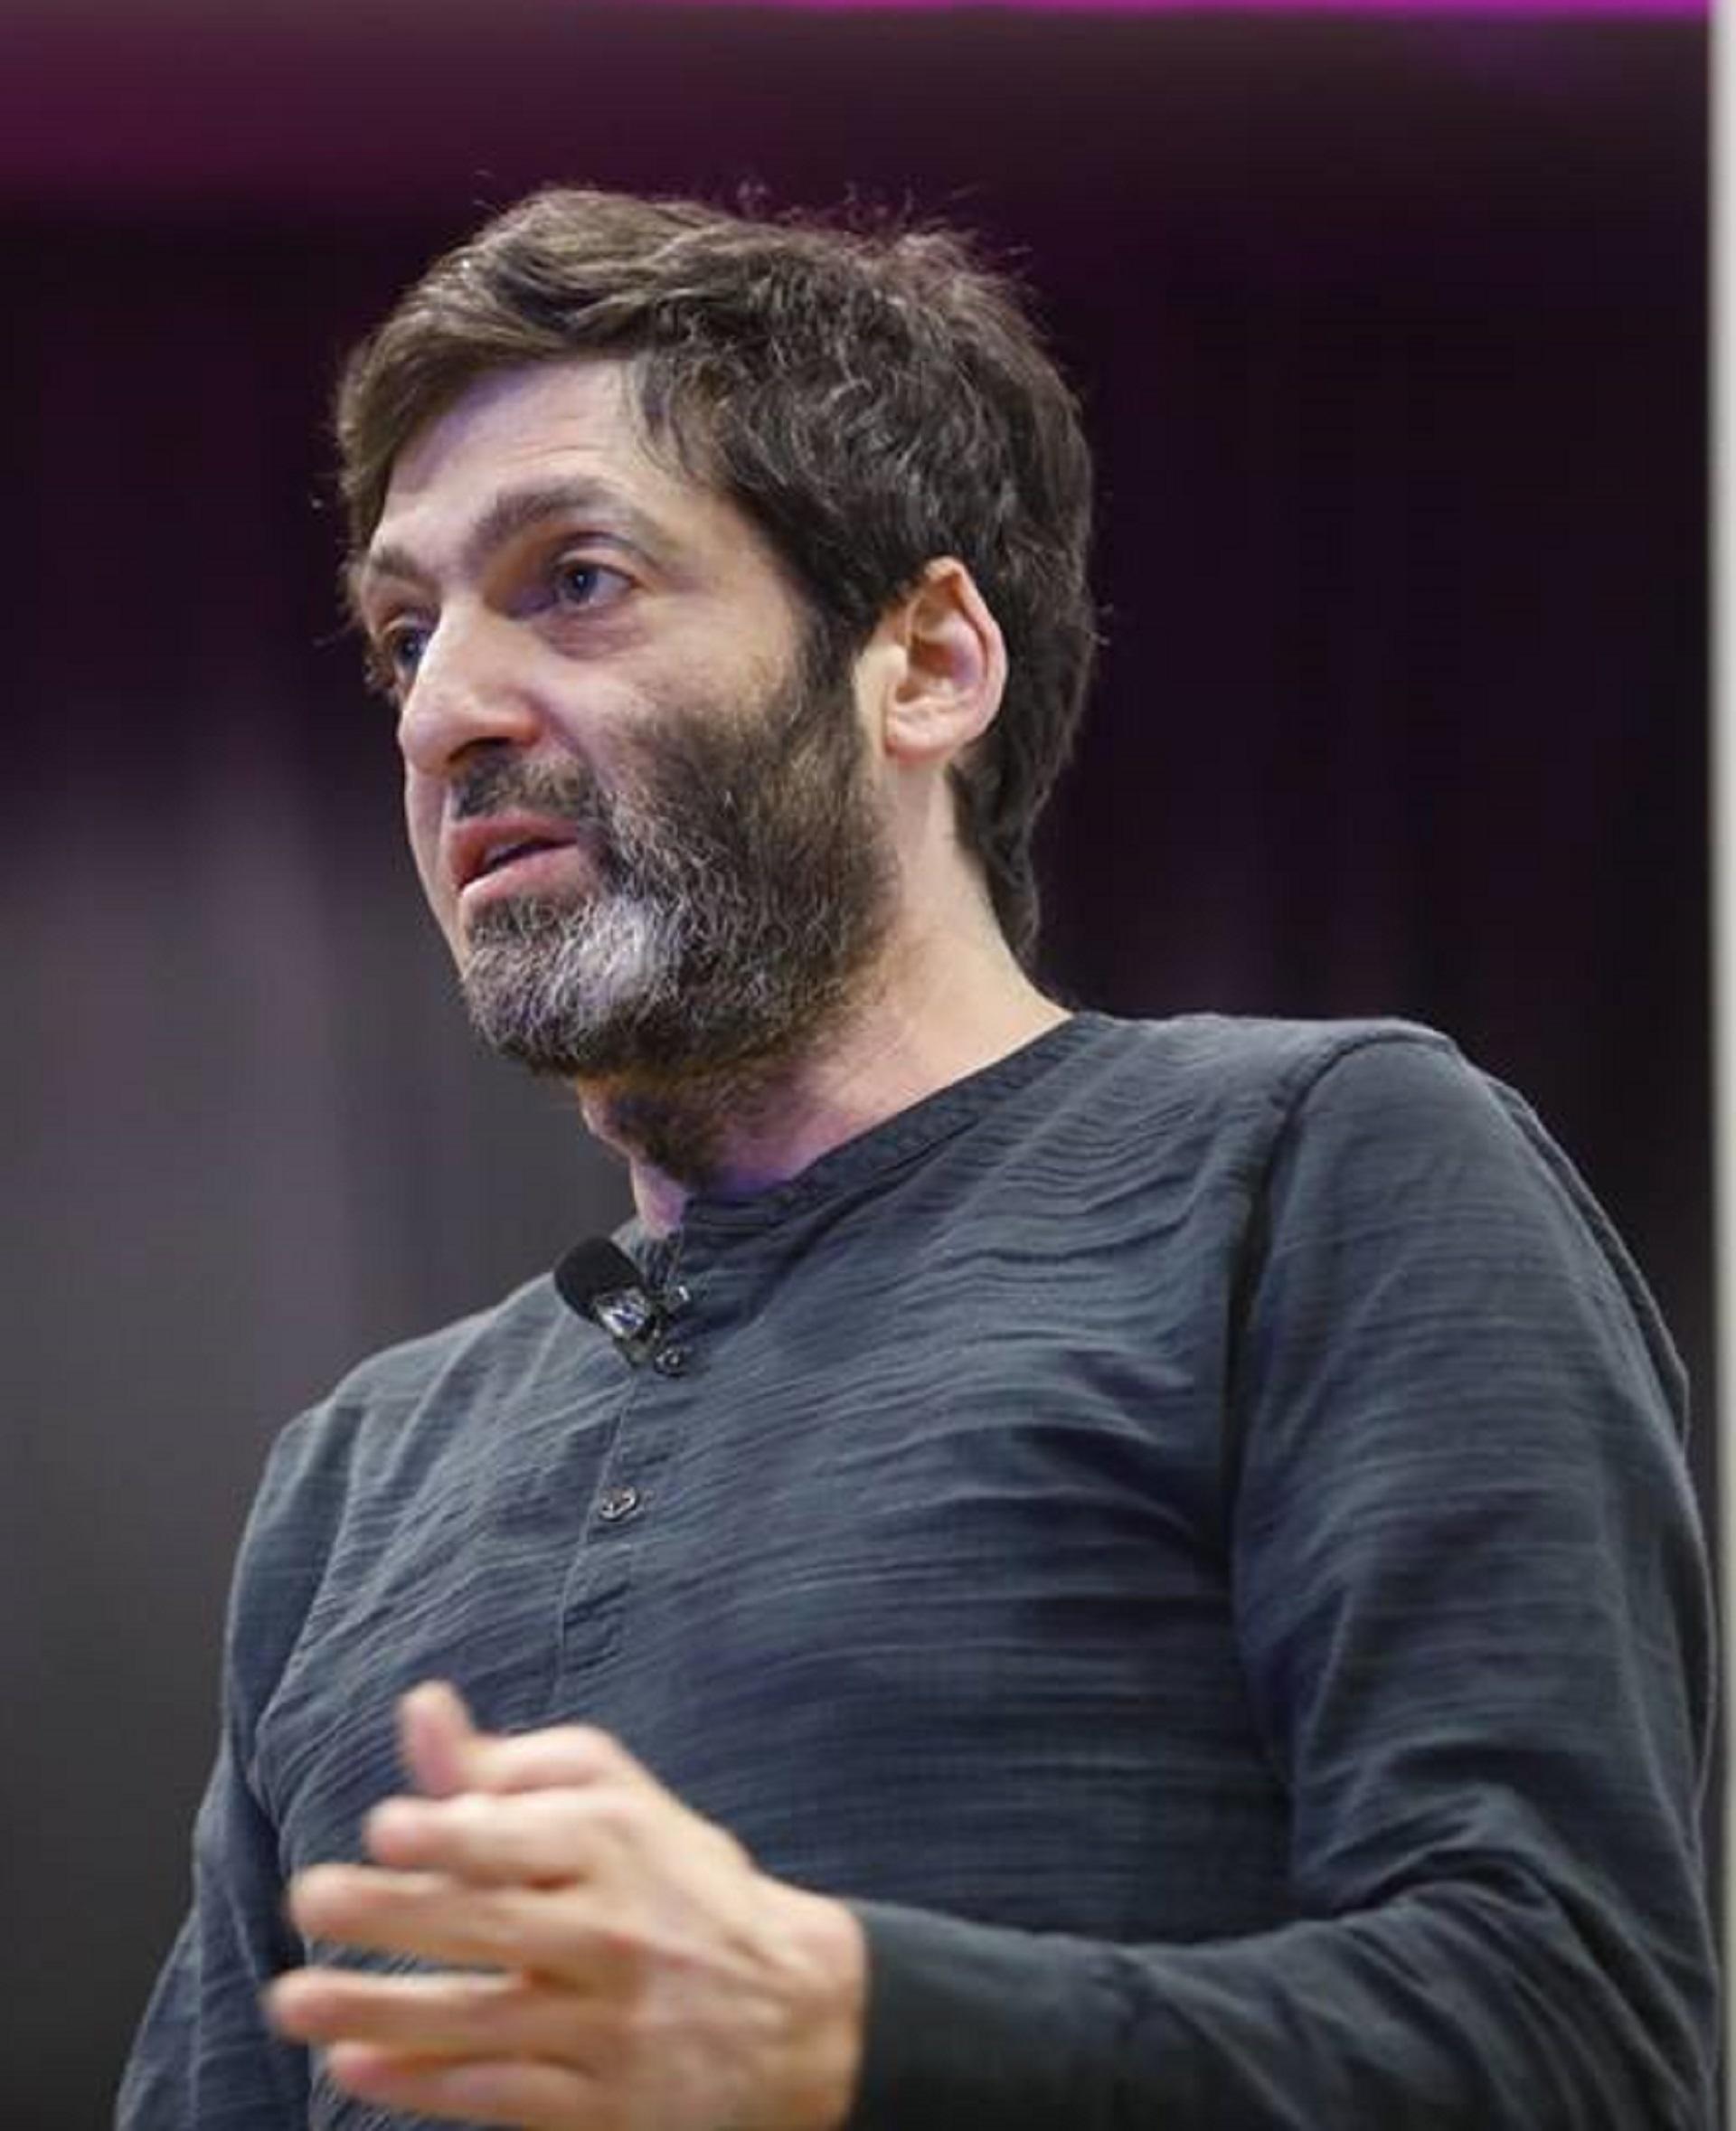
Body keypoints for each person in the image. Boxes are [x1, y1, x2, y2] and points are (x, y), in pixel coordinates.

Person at [118, 186, 1717, 2131]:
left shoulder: (1316, 1170)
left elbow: (1577, 2041)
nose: (446, 708)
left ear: (927, 662)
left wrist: (843, 2025)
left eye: (578, 579)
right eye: (403, 632)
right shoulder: (359, 1475)